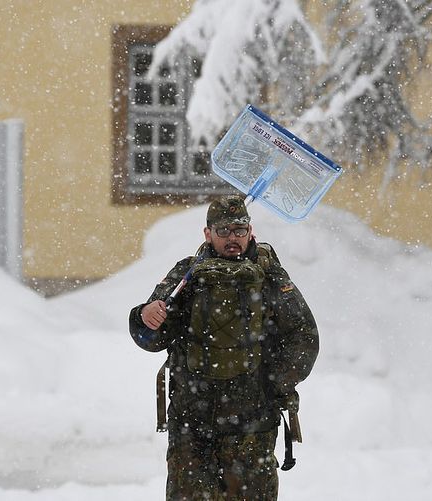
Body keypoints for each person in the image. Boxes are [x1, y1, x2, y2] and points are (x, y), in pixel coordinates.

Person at [129, 195, 319, 501]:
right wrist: (144, 317)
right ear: (207, 234)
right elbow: (153, 337)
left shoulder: (269, 275)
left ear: (250, 231)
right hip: (193, 425)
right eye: (223, 231)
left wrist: (271, 386)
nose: (232, 238)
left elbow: (303, 336)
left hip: (252, 427)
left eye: (239, 230)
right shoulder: (188, 274)